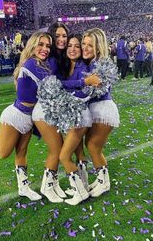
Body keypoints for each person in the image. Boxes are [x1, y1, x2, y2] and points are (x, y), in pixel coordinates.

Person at [0, 32, 54, 201]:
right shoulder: (31, 64)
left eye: (48, 46)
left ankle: (23, 188)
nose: (45, 48)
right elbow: (54, 85)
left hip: (29, 118)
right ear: (32, 45)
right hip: (15, 116)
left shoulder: (42, 64)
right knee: (3, 153)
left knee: (22, 153)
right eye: (41, 44)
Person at [58, 34, 101, 205]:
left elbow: (82, 92)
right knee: (78, 152)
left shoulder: (83, 66)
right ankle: (82, 185)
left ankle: (80, 192)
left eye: (77, 46)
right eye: (70, 45)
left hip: (80, 115)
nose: (73, 49)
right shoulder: (68, 65)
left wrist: (65, 84)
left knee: (64, 156)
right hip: (73, 114)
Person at [81, 28, 120, 198]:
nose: (85, 48)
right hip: (96, 109)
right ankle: (101, 177)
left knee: (93, 146)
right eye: (84, 44)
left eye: (90, 45)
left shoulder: (100, 63)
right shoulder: (90, 63)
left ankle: (104, 183)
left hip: (103, 109)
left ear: (98, 47)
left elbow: (88, 90)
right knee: (91, 145)